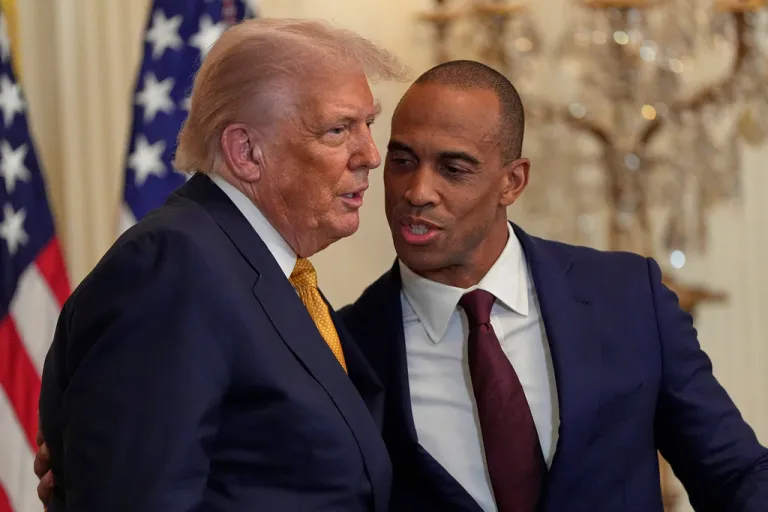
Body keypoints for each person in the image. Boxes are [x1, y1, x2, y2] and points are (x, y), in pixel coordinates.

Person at [338, 60, 768, 511]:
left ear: (512, 181)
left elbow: (735, 473)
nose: (418, 191)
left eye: (454, 168)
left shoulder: (626, 297)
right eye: (403, 161)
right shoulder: (344, 347)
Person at [36, 18, 406, 512]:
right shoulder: (173, 268)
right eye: (338, 129)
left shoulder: (262, 266)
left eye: (369, 124)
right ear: (246, 151)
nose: (371, 155)